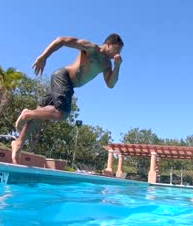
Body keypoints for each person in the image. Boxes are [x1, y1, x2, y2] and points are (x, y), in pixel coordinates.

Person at [11, 33, 124, 164]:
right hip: (64, 77)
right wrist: (44, 57)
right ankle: (27, 113)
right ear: (109, 44)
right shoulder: (91, 48)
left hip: (67, 85)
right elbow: (62, 40)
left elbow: (110, 84)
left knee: (40, 115)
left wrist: (117, 66)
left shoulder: (107, 64)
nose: (118, 53)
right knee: (61, 113)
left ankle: (18, 143)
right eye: (117, 49)